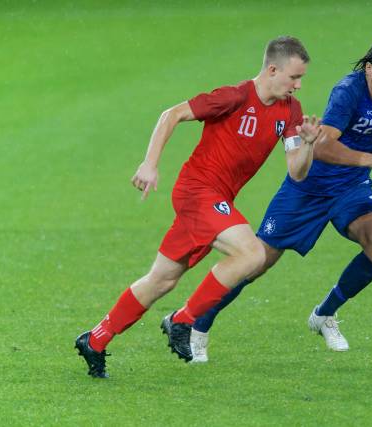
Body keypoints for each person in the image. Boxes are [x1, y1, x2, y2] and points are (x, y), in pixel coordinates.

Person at [74, 36, 321, 378]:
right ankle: (182, 321)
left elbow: (297, 171)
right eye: (294, 77)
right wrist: (150, 164)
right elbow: (171, 114)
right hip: (198, 191)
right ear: (273, 69)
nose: (298, 84)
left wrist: (307, 145)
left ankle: (96, 339)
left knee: (161, 280)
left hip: (217, 201)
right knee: (252, 254)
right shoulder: (234, 97)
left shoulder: (290, 111)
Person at [188, 38, 372, 362]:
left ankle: (324, 315)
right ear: (369, 69)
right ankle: (199, 323)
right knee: (256, 262)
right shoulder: (347, 93)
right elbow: (321, 147)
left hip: (351, 186)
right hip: (308, 186)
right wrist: (367, 158)